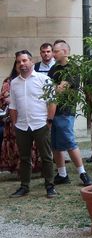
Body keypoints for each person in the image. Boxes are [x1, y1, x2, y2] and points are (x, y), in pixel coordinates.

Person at [8, 50, 57, 198]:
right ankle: (24, 186)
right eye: (19, 62)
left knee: (46, 157)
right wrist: (15, 124)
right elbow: (13, 106)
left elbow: (52, 101)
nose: (21, 64)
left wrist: (49, 121)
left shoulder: (44, 79)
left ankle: (50, 186)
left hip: (41, 124)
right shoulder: (14, 83)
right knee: (24, 158)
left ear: (31, 61)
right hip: (22, 126)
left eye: (24, 60)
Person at [47, 41, 92, 186]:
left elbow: (60, 90)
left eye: (56, 51)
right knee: (55, 144)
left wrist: (52, 87)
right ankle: (62, 174)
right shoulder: (54, 68)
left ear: (65, 51)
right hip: (52, 111)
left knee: (69, 142)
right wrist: (53, 88)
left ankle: (83, 173)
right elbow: (47, 88)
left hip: (65, 111)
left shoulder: (72, 68)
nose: (53, 54)